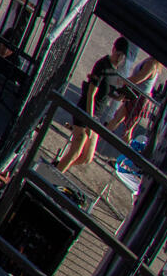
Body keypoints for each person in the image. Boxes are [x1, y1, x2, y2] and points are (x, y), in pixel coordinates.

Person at [56, 36, 132, 173]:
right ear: (113, 49)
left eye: (123, 57)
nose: (119, 59)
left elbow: (105, 91)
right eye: (118, 54)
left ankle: (58, 167)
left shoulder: (114, 70)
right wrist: (89, 121)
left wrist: (118, 97)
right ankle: (54, 172)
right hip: (86, 111)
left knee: (87, 157)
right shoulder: (102, 65)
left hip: (96, 115)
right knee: (76, 150)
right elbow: (91, 94)